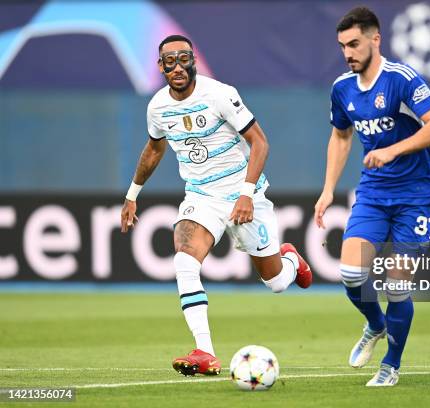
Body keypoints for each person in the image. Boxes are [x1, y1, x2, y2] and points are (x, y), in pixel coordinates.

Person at [120, 34, 312, 376]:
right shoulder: (158, 107)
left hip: (243, 195)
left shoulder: (220, 94)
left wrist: (246, 193)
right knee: (183, 257)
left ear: (193, 61)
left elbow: (260, 144)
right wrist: (132, 194)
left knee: (277, 283)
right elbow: (154, 149)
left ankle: (290, 260)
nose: (177, 66)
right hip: (200, 196)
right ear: (160, 67)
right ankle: (205, 352)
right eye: (170, 61)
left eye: (184, 58)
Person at [315, 7, 430, 386]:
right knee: (350, 273)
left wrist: (394, 150)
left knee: (395, 284)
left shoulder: (402, 80)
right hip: (374, 193)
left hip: (418, 196)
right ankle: (375, 324)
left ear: (376, 39)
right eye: (343, 46)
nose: (348, 53)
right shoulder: (342, 88)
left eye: (354, 44)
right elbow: (341, 136)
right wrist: (327, 189)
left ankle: (391, 365)